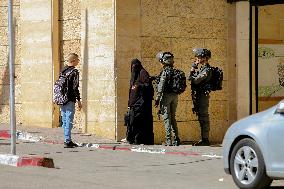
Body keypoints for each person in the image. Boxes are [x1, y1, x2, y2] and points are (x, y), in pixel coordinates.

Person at [126, 58, 154, 145]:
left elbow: (148, 85)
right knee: (132, 121)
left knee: (140, 122)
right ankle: (133, 139)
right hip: (134, 104)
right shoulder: (134, 75)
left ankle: (140, 140)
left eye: (135, 65)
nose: (134, 67)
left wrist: (138, 86)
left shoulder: (143, 73)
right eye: (133, 66)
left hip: (142, 104)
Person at [154, 52, 180, 146]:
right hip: (175, 97)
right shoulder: (175, 71)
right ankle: (177, 139)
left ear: (163, 62)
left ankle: (169, 141)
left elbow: (161, 86)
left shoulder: (165, 72)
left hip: (166, 97)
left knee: (167, 118)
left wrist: (157, 98)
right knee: (173, 118)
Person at [188, 48, 212, 146]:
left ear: (204, 58)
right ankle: (203, 139)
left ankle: (205, 139)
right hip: (199, 95)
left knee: (204, 117)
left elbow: (195, 80)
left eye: (199, 57)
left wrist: (193, 68)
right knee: (201, 117)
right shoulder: (203, 68)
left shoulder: (207, 69)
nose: (197, 58)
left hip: (203, 95)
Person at [60, 53, 82, 148]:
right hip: (69, 98)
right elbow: (75, 87)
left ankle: (66, 138)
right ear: (73, 60)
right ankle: (67, 140)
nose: (78, 61)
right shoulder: (74, 71)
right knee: (69, 119)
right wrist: (79, 100)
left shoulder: (63, 70)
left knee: (64, 119)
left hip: (61, 98)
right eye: (77, 59)